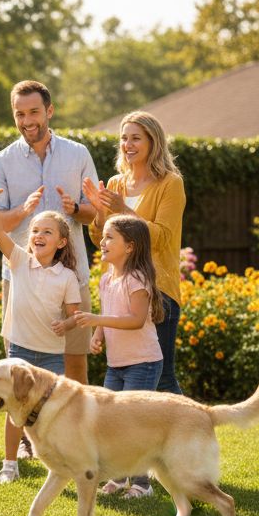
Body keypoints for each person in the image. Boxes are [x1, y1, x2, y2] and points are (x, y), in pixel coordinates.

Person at [0, 79, 99, 459]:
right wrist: (24, 210)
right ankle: (30, 445)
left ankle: (83, 437)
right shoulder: (3, 161)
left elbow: (93, 210)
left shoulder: (77, 153)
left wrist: (73, 209)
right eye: (20, 113)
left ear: (50, 111)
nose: (27, 120)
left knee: (74, 360)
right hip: (21, 280)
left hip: (72, 274)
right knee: (22, 367)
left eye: (34, 112)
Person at [0, 170, 82, 484]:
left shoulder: (67, 277)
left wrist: (67, 323)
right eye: (35, 229)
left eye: (47, 232)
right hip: (20, 350)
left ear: (61, 242)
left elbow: (75, 315)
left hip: (50, 355)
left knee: (50, 412)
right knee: (14, 410)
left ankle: (57, 463)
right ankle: (10, 465)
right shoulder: (19, 260)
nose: (38, 235)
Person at [83, 111, 185, 395]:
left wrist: (122, 210)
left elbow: (161, 238)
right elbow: (98, 238)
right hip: (118, 290)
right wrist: (101, 211)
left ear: (153, 142)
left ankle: (195, 431)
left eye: (136, 138)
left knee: (163, 376)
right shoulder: (116, 184)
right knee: (121, 369)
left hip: (157, 291)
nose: (128, 144)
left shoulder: (170, 184)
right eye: (124, 138)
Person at [68, 214, 165, 498]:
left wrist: (98, 319)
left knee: (133, 425)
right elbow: (111, 313)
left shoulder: (137, 279)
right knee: (109, 421)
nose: (102, 241)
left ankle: (142, 485)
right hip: (118, 364)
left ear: (130, 247)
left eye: (110, 237)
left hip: (143, 362)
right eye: (103, 237)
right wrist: (98, 335)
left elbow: (135, 320)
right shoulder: (108, 279)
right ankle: (121, 479)